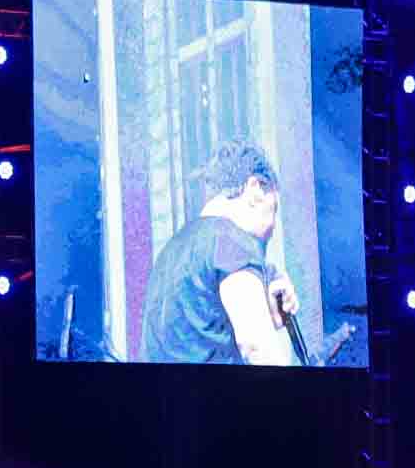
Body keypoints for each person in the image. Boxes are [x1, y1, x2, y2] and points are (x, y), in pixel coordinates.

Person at [139, 139, 353, 368]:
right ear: (255, 189)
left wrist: (264, 307)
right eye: (274, 209)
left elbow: (201, 334)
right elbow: (257, 346)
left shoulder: (171, 251)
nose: (272, 229)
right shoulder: (232, 239)